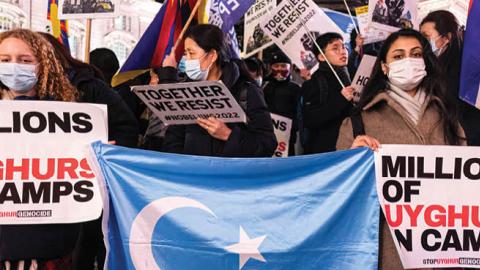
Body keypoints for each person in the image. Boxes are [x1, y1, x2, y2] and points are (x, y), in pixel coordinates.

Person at [336, 29, 465, 270]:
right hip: (389, 252)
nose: (408, 60)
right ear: (384, 67)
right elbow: (340, 193)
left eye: (415, 54)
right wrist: (351, 158)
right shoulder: (358, 122)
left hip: (445, 250)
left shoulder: (448, 117)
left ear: (425, 61)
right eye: (398, 56)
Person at [40, 33, 139, 270]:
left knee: (83, 246)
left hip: (86, 184)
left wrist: (111, 154)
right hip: (40, 188)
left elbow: (127, 125)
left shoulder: (89, 85)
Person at [0, 29, 83, 270]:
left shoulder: (70, 117)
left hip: (45, 245)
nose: (14, 66)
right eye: (5, 60)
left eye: (25, 60)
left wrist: (96, 155)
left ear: (43, 65)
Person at [160, 24, 277, 157]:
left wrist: (228, 135)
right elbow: (173, 140)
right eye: (185, 54)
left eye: (191, 53)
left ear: (212, 56)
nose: (187, 60)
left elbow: (267, 144)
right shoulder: (185, 92)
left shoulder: (246, 91)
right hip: (192, 175)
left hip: (228, 176)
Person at [420, 10, 480, 146]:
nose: (421, 43)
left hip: (465, 144)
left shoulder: (467, 70)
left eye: (426, 37)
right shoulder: (428, 65)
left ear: (446, 38)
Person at [301, 32, 355, 154]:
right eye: (335, 48)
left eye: (344, 47)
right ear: (321, 57)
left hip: (352, 149)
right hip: (326, 154)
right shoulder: (314, 83)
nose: (343, 51)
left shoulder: (352, 75)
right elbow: (310, 120)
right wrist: (341, 99)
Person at [263, 51, 301, 156]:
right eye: (276, 66)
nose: (279, 69)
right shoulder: (265, 87)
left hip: (288, 138)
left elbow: (300, 113)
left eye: (283, 66)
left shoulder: (296, 89)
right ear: (271, 67)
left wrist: (293, 127)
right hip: (268, 136)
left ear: (290, 67)